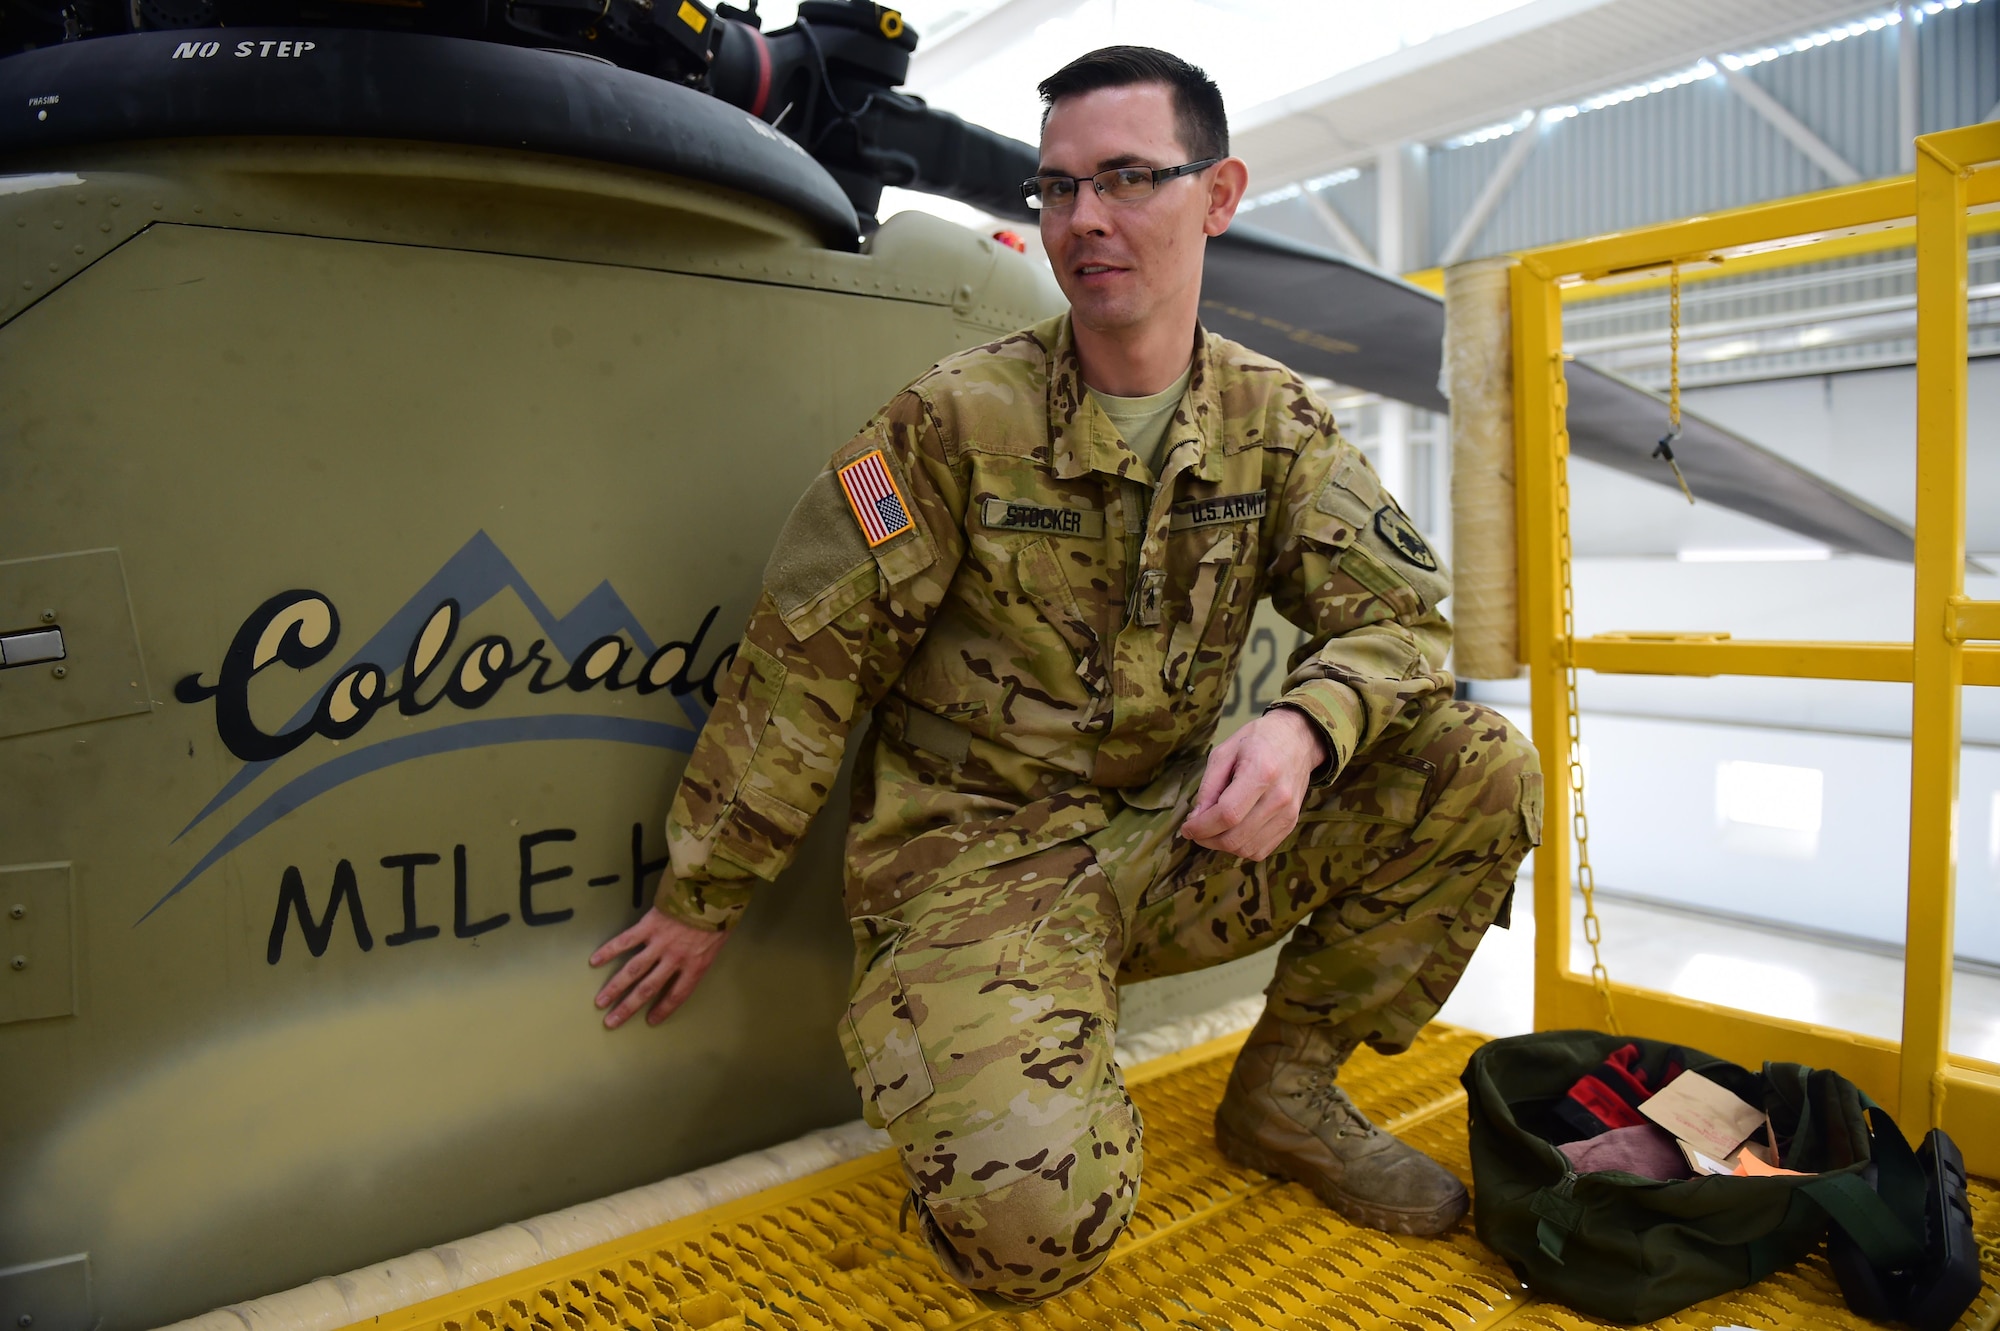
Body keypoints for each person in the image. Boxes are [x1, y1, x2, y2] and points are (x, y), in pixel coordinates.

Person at [590, 45, 1542, 1304]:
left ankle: (1287, 1093)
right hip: (975, 866)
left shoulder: (1273, 426)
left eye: (1128, 178)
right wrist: (701, 892)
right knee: (1034, 1233)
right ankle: (1016, 1093)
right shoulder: (954, 425)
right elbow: (807, 659)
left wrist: (1305, 728)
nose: (1083, 218)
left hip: (1167, 841)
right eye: (1054, 189)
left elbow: (1407, 628)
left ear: (1218, 194)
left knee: (1480, 767)